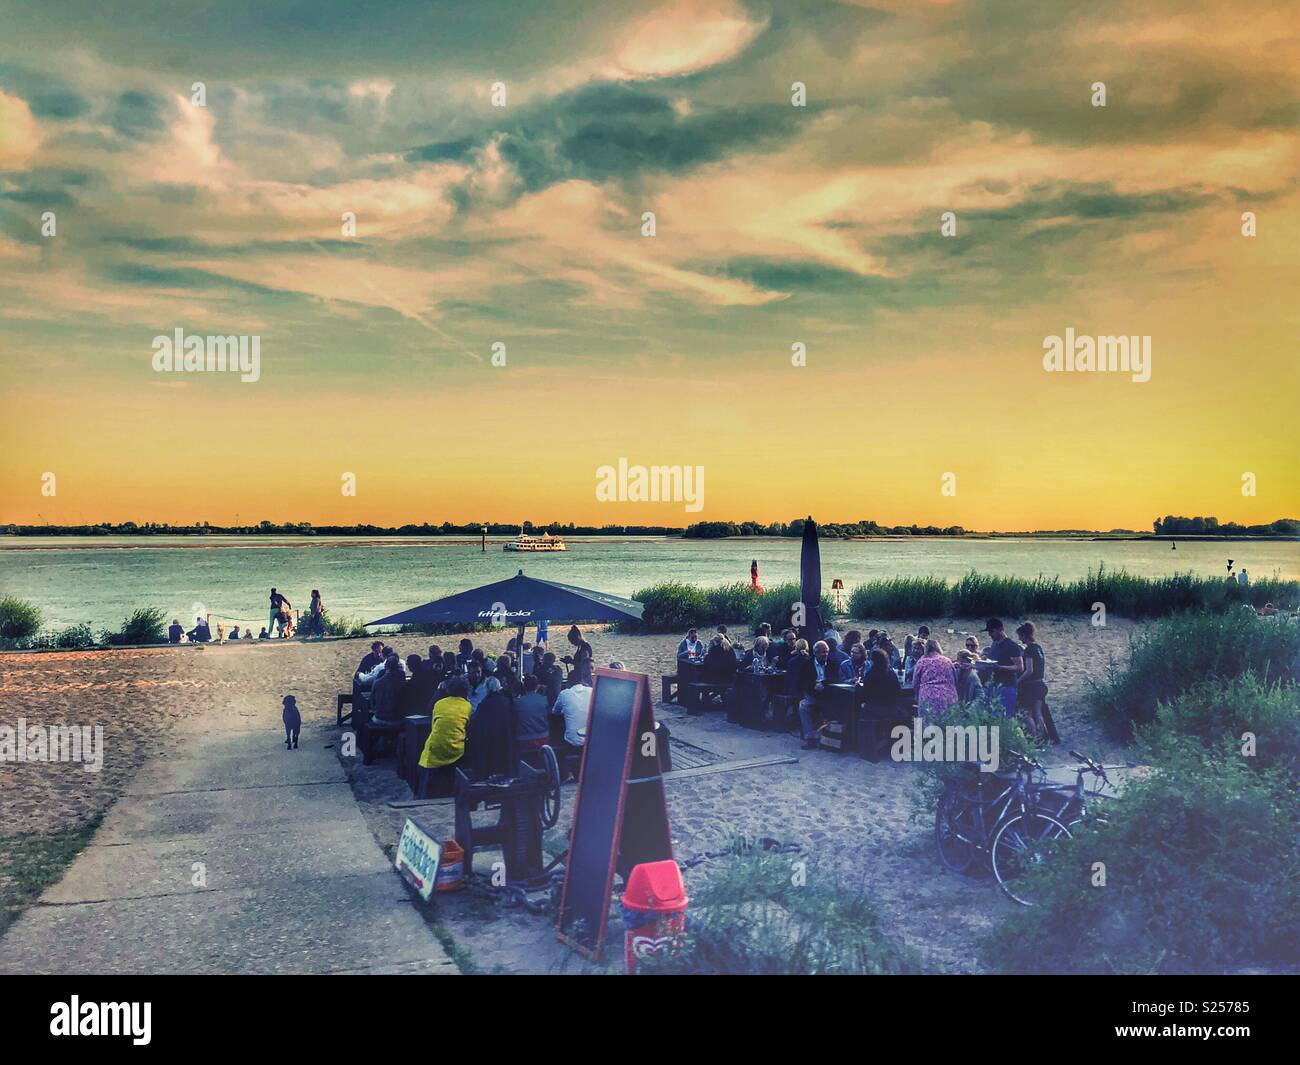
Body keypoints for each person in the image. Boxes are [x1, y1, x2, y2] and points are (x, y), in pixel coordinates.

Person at [417, 678, 473, 797]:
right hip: (457, 749)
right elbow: (467, 728)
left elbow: (434, 726)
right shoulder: (468, 706)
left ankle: (423, 794)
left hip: (436, 747)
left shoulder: (439, 704)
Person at [464, 684, 519, 781]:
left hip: (488, 743)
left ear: (487, 690)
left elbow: (476, 725)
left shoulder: (483, 705)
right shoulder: (507, 703)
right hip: (506, 741)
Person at [981, 618, 1024, 717]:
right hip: (993, 685)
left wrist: (1001, 667)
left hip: (1007, 686)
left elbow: (1019, 667)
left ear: (1000, 629)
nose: (989, 634)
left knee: (1005, 717)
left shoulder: (1011, 646)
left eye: (991, 631)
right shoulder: (994, 644)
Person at [794, 640, 831, 749]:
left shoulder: (832, 663)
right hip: (812, 694)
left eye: (827, 651)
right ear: (815, 653)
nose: (825, 654)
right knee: (803, 707)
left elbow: (835, 678)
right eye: (822, 652)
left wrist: (824, 684)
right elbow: (802, 682)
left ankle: (831, 738)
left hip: (829, 695)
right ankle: (810, 738)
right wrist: (813, 686)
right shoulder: (807, 665)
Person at [1015, 622, 1048, 739]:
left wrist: (1018, 681)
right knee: (1038, 713)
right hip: (1040, 684)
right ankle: (1042, 738)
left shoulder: (1029, 650)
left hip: (1031, 686)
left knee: (1027, 714)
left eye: (1020, 636)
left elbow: (1029, 670)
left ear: (1024, 635)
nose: (1019, 638)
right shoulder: (1038, 647)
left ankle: (1034, 739)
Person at [912, 639, 958, 715]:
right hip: (948, 696)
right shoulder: (947, 661)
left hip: (928, 697)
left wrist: (917, 697)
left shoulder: (921, 662)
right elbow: (955, 679)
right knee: (949, 723)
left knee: (929, 724)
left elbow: (915, 683)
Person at [553, 664, 593, 751]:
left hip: (573, 742)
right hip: (591, 741)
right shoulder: (591, 691)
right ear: (582, 680)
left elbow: (555, 712)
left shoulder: (564, 693)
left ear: (568, 681)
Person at [859, 648, 903, 717]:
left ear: (873, 661)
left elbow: (865, 694)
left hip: (874, 708)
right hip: (892, 708)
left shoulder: (870, 674)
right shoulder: (891, 673)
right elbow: (898, 691)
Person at [515, 675, 551, 749]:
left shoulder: (517, 702)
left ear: (524, 686)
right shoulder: (544, 700)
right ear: (537, 686)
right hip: (543, 738)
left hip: (523, 739)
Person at [370, 655, 407, 724]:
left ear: (385, 666)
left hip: (379, 717)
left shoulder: (377, 682)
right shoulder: (401, 684)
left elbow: (372, 703)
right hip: (397, 719)